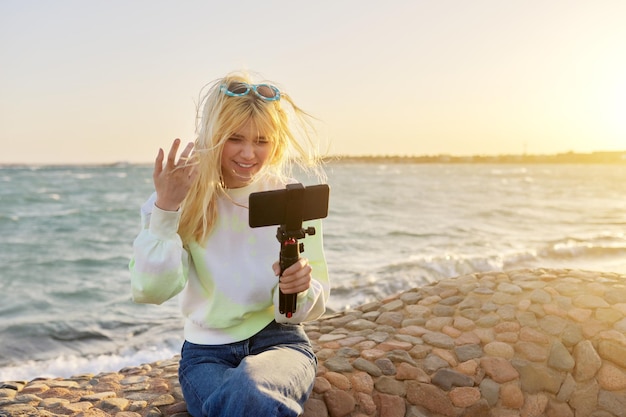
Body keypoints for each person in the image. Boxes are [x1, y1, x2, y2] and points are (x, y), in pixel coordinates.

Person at [129, 71, 330, 417]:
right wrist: (166, 208)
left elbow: (299, 311)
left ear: (277, 143)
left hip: (280, 341)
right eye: (235, 138)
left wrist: (297, 288)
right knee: (248, 399)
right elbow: (152, 290)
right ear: (212, 134)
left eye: (262, 141)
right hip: (206, 353)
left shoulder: (291, 197)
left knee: (251, 391)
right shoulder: (181, 195)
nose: (249, 154)